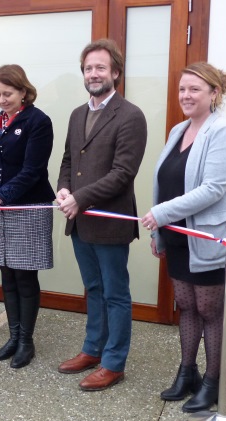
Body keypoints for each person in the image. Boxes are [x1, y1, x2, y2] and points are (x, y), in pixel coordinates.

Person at [141, 62, 226, 413]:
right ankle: (187, 373)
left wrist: (161, 214)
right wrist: (160, 228)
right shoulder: (178, 130)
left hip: (210, 237)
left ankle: (213, 384)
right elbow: (167, 182)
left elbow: (213, 189)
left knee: (209, 310)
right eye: (182, 89)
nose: (186, 95)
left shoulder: (223, 131)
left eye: (195, 89)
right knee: (186, 305)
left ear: (214, 94)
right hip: (177, 236)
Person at [56, 39, 147, 390]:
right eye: (88, 68)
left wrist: (79, 197)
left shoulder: (130, 115)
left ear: (116, 73)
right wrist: (63, 189)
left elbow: (122, 173)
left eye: (100, 67)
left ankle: (113, 362)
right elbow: (68, 160)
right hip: (79, 221)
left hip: (110, 222)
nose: (93, 73)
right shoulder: (78, 113)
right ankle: (92, 349)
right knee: (93, 288)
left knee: (115, 293)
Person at [0, 64, 54, 369]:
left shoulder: (38, 121)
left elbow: (33, 171)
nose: (2, 99)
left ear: (23, 91)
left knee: (24, 274)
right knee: (6, 273)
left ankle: (26, 341)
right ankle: (13, 335)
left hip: (27, 206)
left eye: (8, 93)